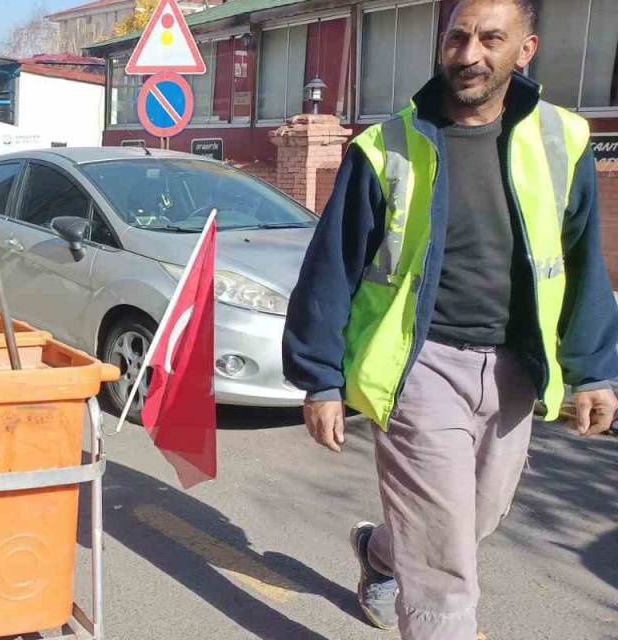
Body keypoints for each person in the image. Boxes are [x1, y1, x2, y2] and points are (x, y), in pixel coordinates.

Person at [281, 1, 618, 638]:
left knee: (476, 520)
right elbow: (330, 268)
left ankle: (381, 552)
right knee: (444, 563)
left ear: (526, 48)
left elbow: (578, 263)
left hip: (517, 367)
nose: (469, 54)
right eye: (457, 37)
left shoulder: (562, 140)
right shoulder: (385, 147)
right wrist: (320, 379)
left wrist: (594, 370)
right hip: (420, 365)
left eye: (491, 38)